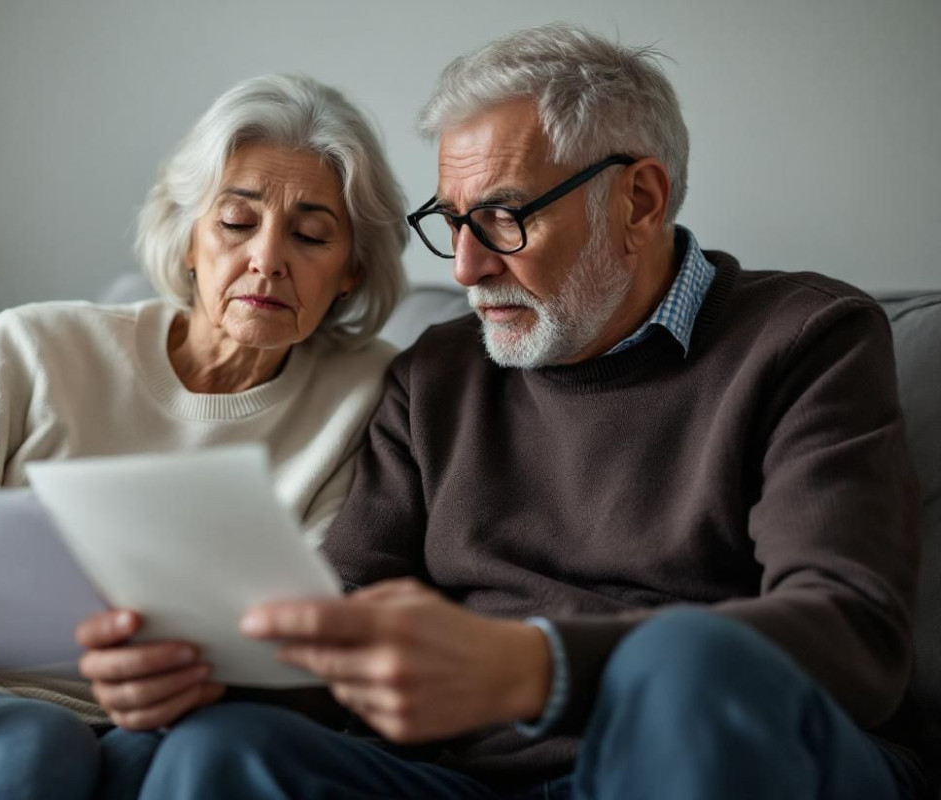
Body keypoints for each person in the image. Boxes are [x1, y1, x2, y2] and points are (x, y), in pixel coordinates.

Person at [127, 24, 933, 800]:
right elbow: (338, 624)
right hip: (466, 778)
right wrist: (194, 670)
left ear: (639, 202)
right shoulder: (437, 373)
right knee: (221, 751)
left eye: (505, 217)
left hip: (705, 752)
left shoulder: (805, 339)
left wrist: (537, 666)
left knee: (691, 660)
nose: (469, 267)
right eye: (451, 222)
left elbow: (852, 632)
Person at [0, 73, 410, 800]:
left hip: (141, 740)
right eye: (236, 221)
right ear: (190, 234)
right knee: (37, 742)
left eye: (311, 234)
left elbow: (300, 643)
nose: (267, 257)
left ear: (352, 269)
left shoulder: (364, 396)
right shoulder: (33, 348)